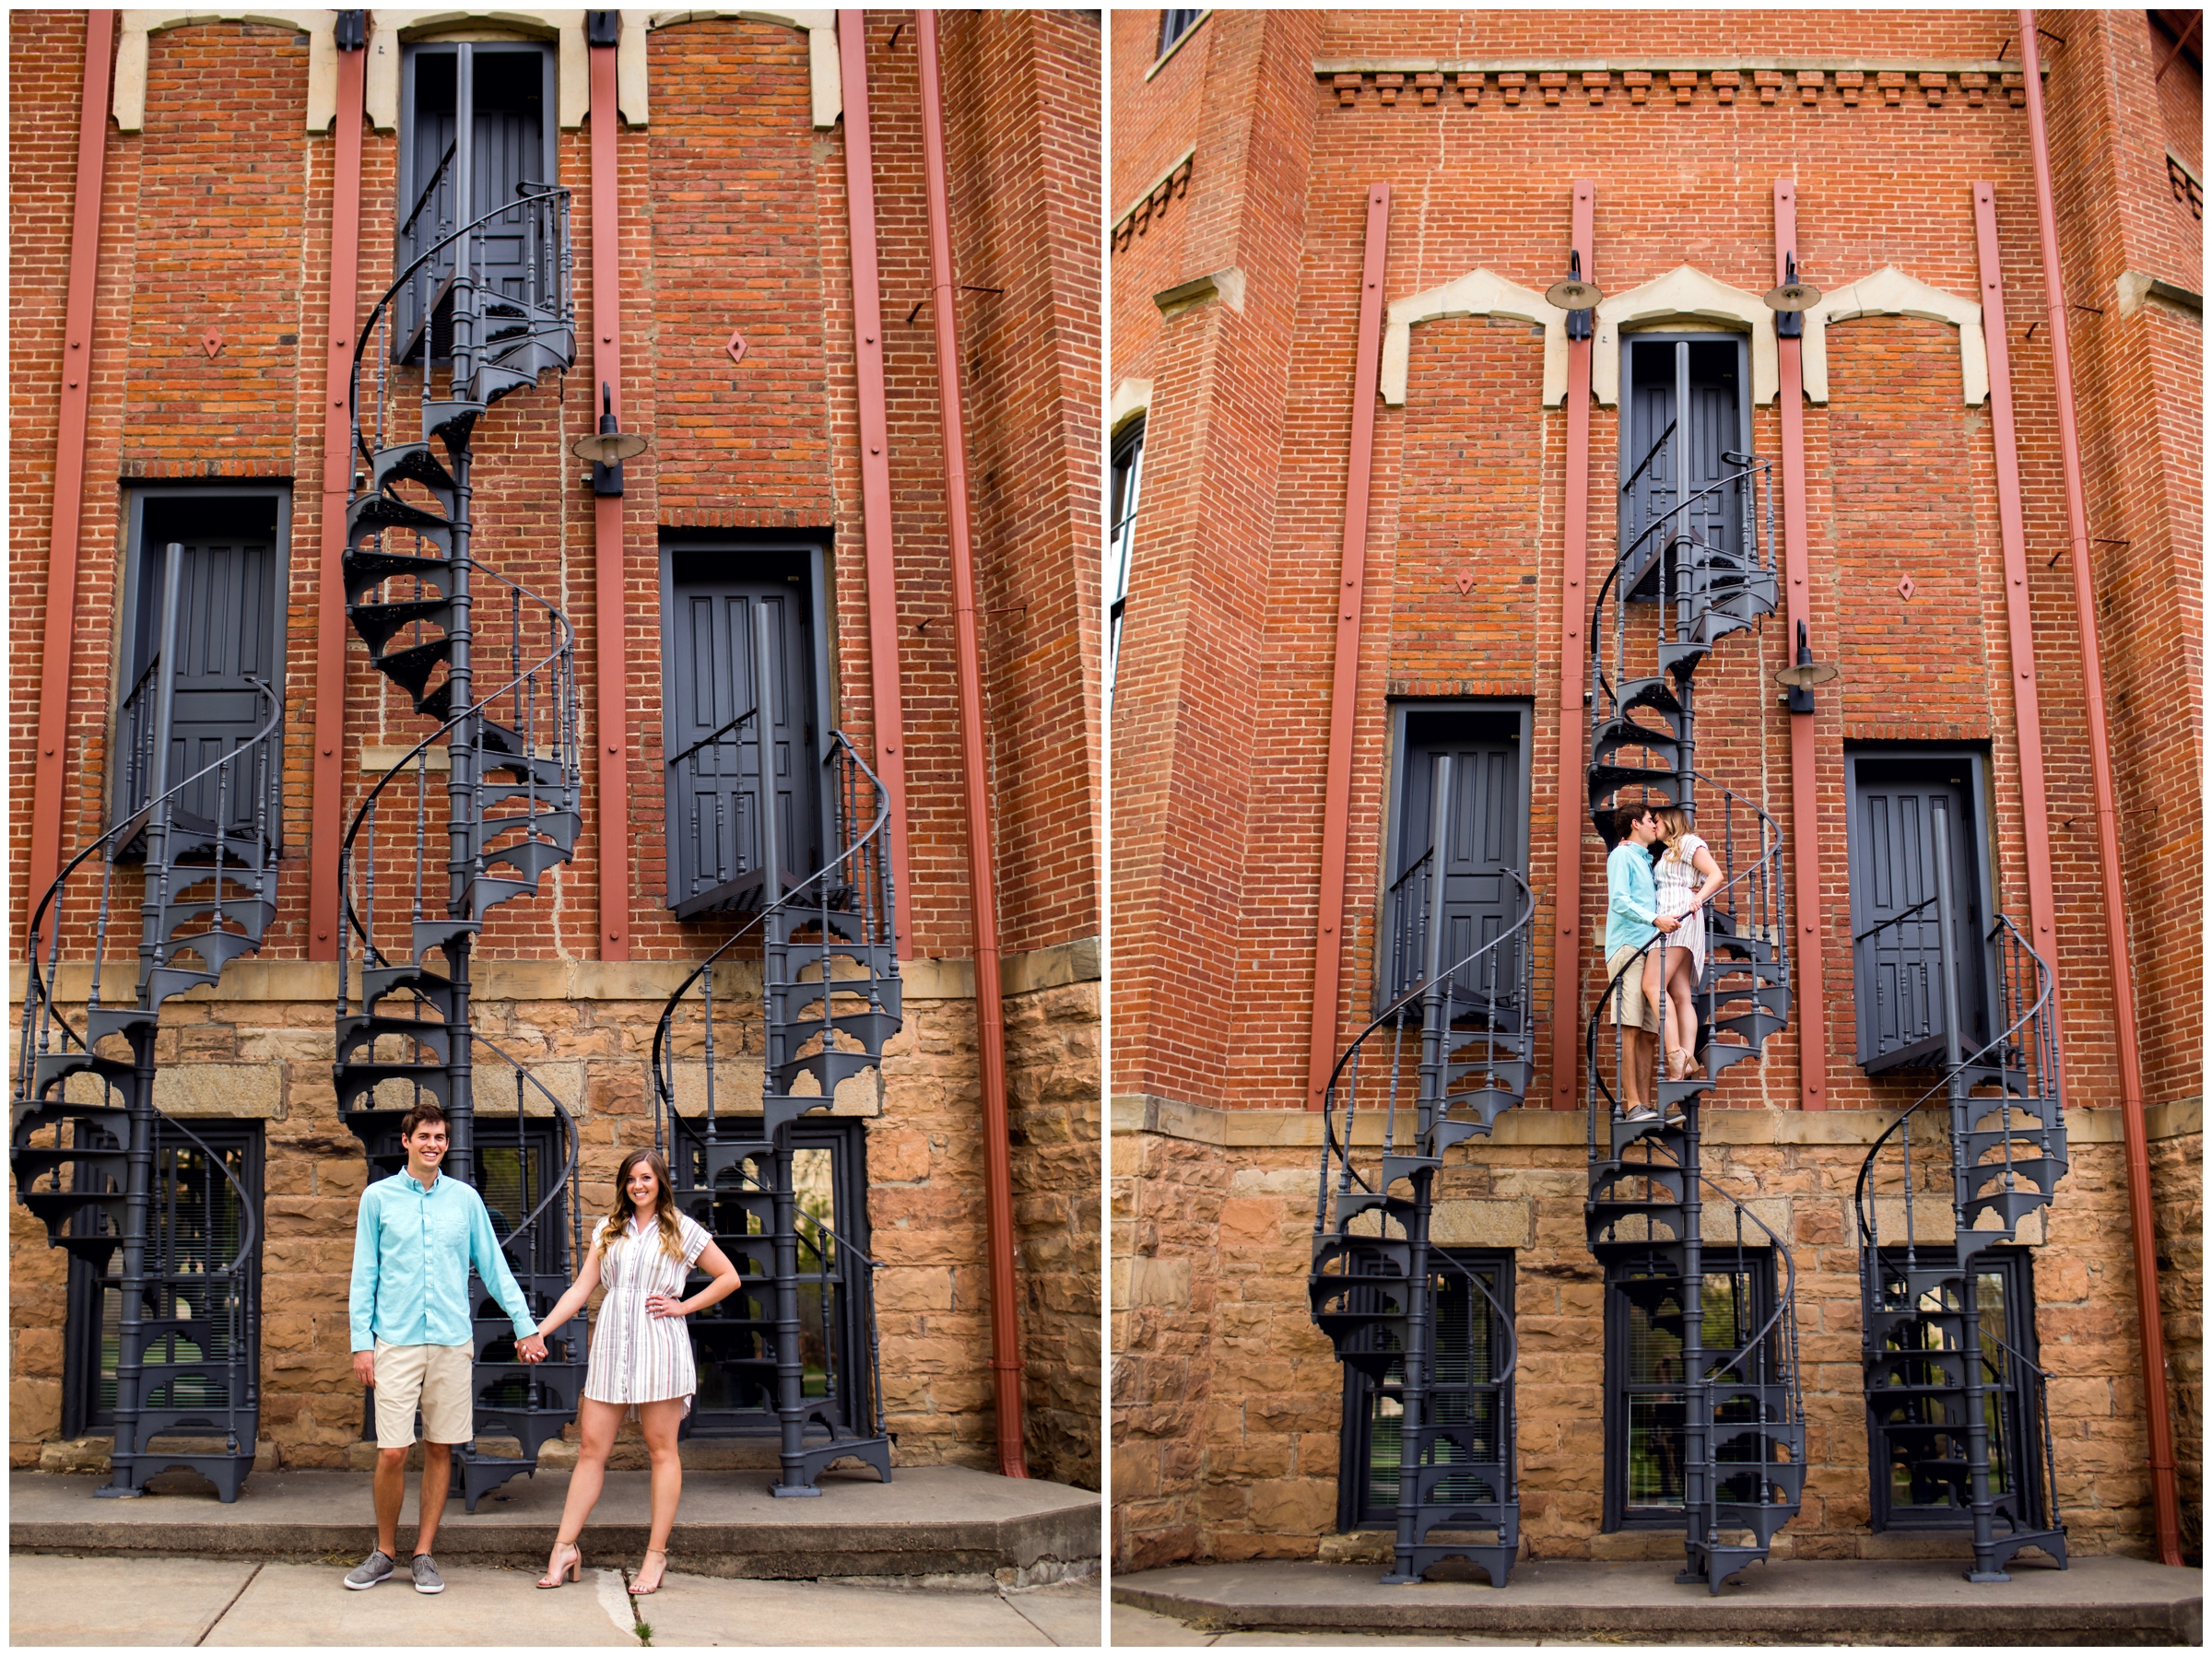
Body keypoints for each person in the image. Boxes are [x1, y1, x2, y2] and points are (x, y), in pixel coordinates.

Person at [346, 1101, 543, 1594]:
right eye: (424, 1136)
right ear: (406, 1141)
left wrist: (525, 1324)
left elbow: (494, 1268)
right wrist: (360, 1344)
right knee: (392, 1451)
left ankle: (424, 1553)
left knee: (440, 1447)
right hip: (394, 1340)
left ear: (446, 1144)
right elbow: (363, 1273)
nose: (432, 1144)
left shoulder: (466, 1200)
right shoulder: (378, 1198)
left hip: (452, 1341)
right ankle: (384, 1551)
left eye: (440, 1138)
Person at [526, 1147, 743, 1598]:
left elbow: (729, 1277)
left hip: (660, 1345)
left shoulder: (682, 1228)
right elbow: (582, 1289)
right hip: (610, 1346)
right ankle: (564, 1548)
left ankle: (656, 1555)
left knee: (661, 1451)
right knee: (590, 1448)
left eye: (646, 1178)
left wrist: (682, 1305)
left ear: (660, 1181)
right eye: (630, 1180)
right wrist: (540, 1331)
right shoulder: (607, 1230)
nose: (638, 1186)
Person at [1604, 802, 1680, 1122]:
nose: (1655, 826)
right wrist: (1655, 919)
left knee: (1649, 1033)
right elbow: (1620, 900)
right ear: (1635, 823)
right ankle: (1632, 1104)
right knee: (1631, 1028)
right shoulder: (1622, 856)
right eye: (1651, 821)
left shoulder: (1644, 861)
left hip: (1647, 951)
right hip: (1627, 947)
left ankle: (1648, 1107)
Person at [1645, 806, 1726, 1082]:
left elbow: (1716, 874)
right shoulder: (1668, 851)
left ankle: (1675, 1053)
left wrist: (1698, 898)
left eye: (1656, 821)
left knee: (1652, 985)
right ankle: (1687, 1057)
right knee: (1679, 993)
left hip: (1679, 915)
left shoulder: (1688, 842)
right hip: (1674, 913)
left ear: (1670, 820)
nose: (1653, 825)